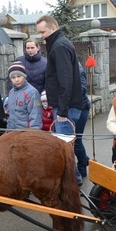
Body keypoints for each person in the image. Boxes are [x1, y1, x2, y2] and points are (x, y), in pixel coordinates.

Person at [36, 15, 84, 185]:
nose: (41, 35)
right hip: (65, 105)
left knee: (64, 147)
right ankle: (73, 178)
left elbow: (66, 81)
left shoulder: (59, 47)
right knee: (65, 146)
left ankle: (74, 181)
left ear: (53, 28)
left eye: (43, 32)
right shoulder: (58, 44)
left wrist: (62, 111)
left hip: (66, 107)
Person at [6, 61, 42, 130]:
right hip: (12, 132)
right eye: (13, 77)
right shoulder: (11, 92)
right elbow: (10, 115)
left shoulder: (32, 92)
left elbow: (36, 115)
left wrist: (34, 133)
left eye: (19, 76)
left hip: (26, 133)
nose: (16, 80)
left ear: (24, 76)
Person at [75, 62, 91, 177]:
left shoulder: (78, 69)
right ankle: (84, 159)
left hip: (81, 107)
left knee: (76, 140)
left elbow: (81, 90)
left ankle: (82, 168)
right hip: (72, 107)